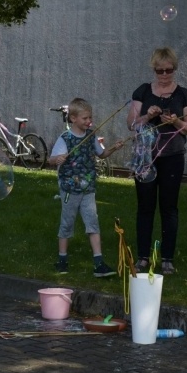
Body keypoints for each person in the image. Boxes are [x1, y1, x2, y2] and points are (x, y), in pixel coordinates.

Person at [126, 47, 187, 276]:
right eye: (160, 71)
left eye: (168, 70)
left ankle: (167, 259)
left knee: (169, 208)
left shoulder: (183, 94)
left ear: (174, 69)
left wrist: (175, 121)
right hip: (146, 158)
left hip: (173, 157)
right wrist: (148, 116)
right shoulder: (143, 91)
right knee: (145, 207)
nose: (164, 75)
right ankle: (143, 257)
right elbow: (132, 124)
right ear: (154, 69)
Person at [48, 98, 123, 277]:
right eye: (85, 118)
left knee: (93, 224)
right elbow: (52, 159)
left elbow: (101, 153)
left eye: (90, 117)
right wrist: (57, 160)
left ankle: (98, 264)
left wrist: (114, 148)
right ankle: (62, 261)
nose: (89, 121)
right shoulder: (64, 138)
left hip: (88, 188)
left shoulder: (91, 136)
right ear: (73, 118)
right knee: (67, 223)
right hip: (69, 189)